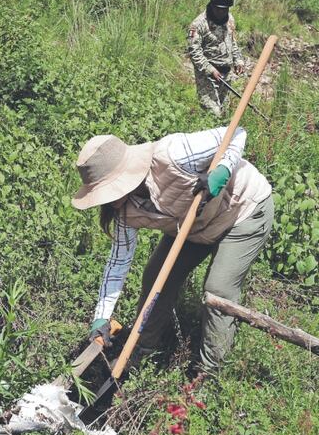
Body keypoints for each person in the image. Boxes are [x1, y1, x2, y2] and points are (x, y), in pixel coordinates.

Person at [72, 127, 272, 377]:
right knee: (156, 277)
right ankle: (142, 353)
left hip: (241, 210)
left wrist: (222, 170)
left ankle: (209, 374)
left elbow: (237, 134)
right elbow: (118, 263)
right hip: (192, 226)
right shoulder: (123, 211)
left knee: (218, 289)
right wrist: (102, 317)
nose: (107, 200)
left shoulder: (173, 155)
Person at [187, 0, 246, 117]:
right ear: (212, 4)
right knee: (213, 114)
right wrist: (210, 69)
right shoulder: (198, 24)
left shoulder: (230, 19)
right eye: (218, 8)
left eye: (225, 9)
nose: (221, 12)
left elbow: (232, 42)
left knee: (225, 115)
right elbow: (194, 52)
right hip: (208, 75)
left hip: (226, 75)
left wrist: (238, 60)